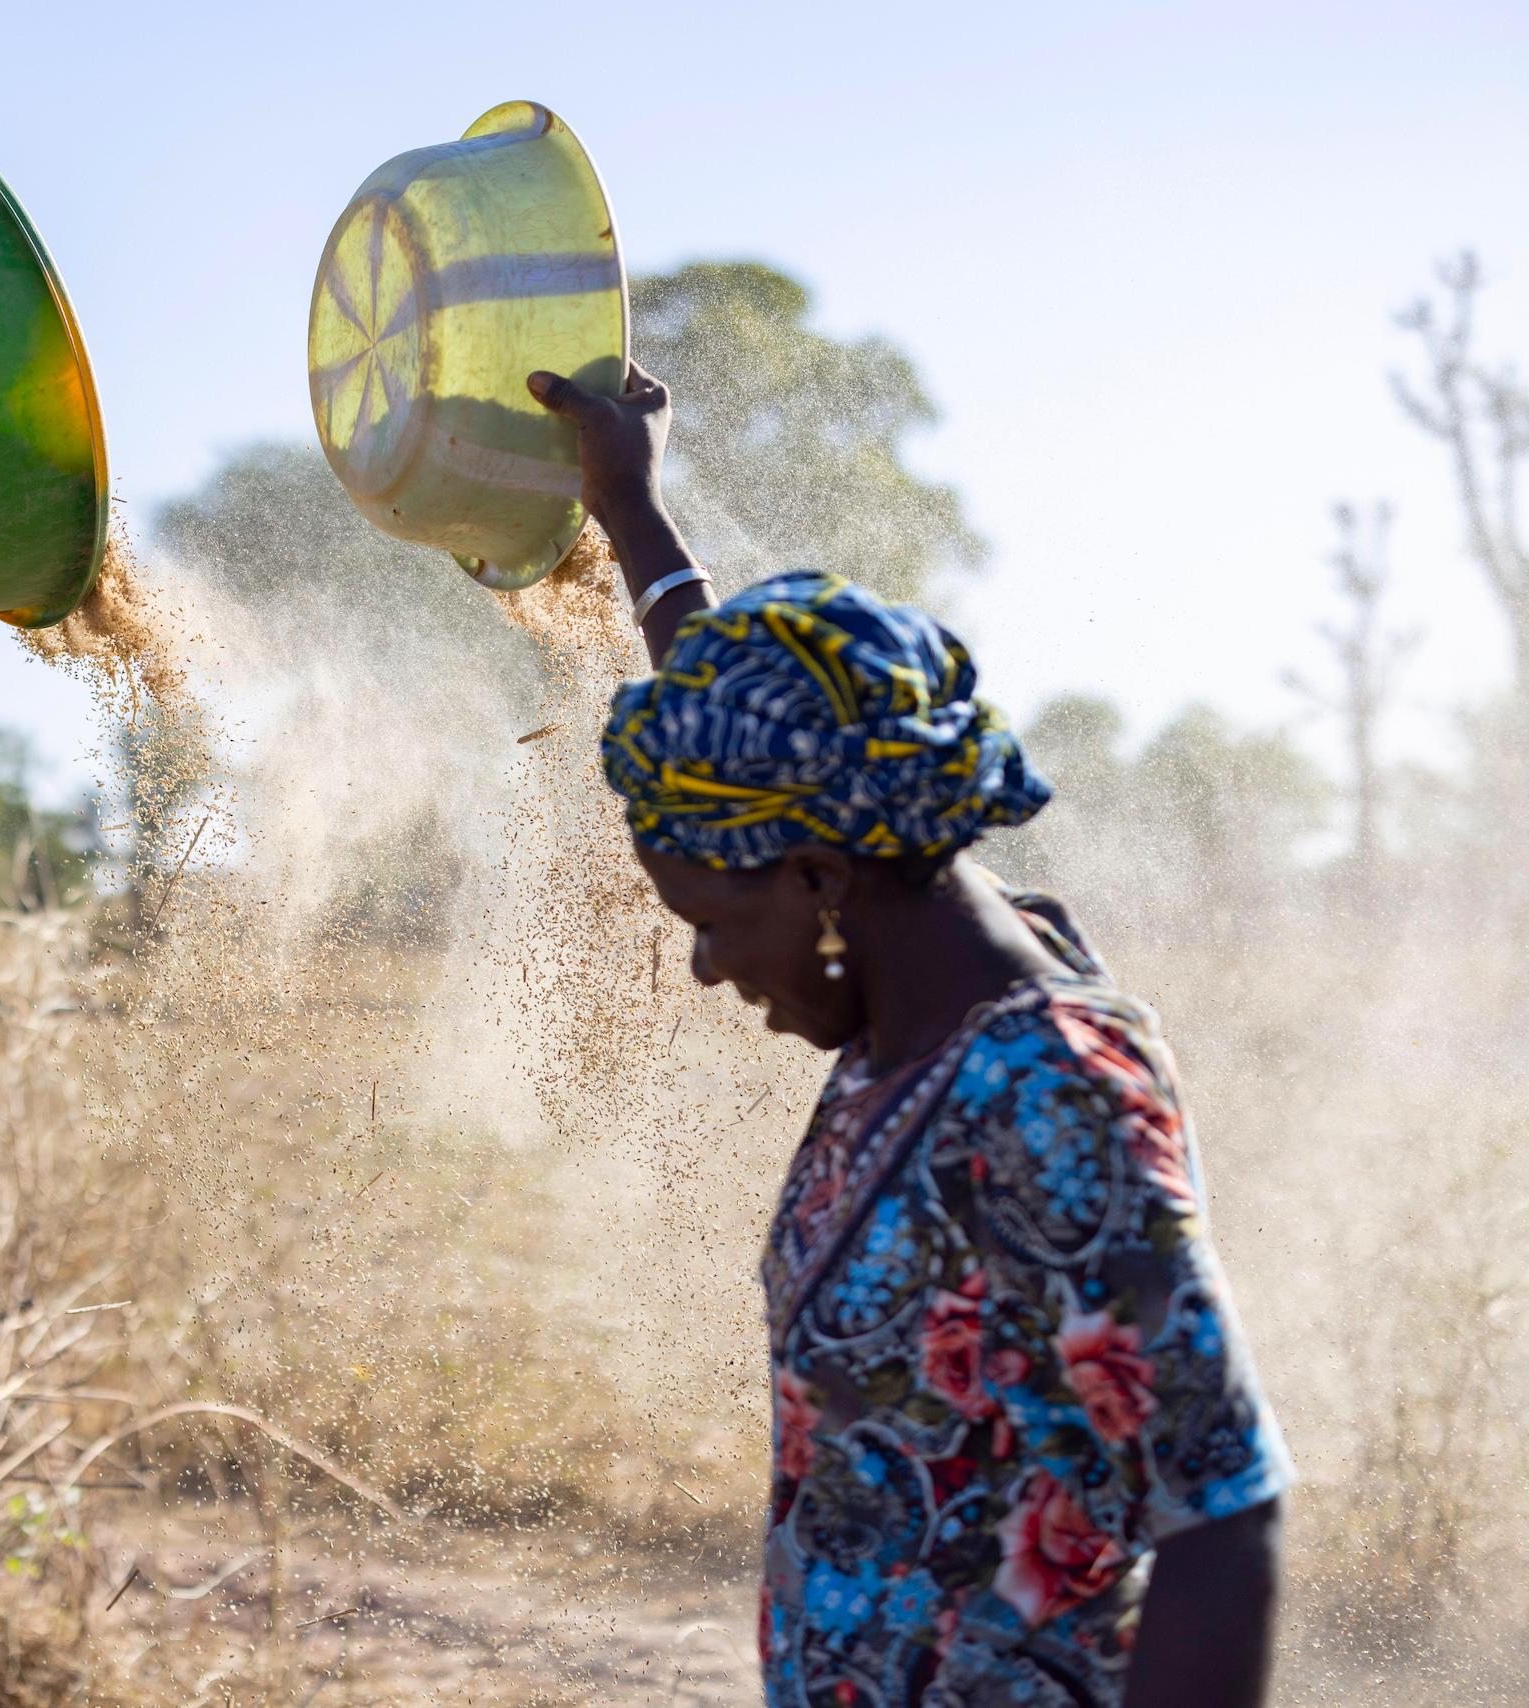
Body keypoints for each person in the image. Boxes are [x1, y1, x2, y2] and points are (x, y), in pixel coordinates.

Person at [528, 365, 1292, 1707]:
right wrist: (633, 513)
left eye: (710, 922)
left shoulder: (1044, 1091)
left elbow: (1223, 1517)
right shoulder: (910, 993)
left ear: (823, 879)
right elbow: (764, 740)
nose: (706, 969)